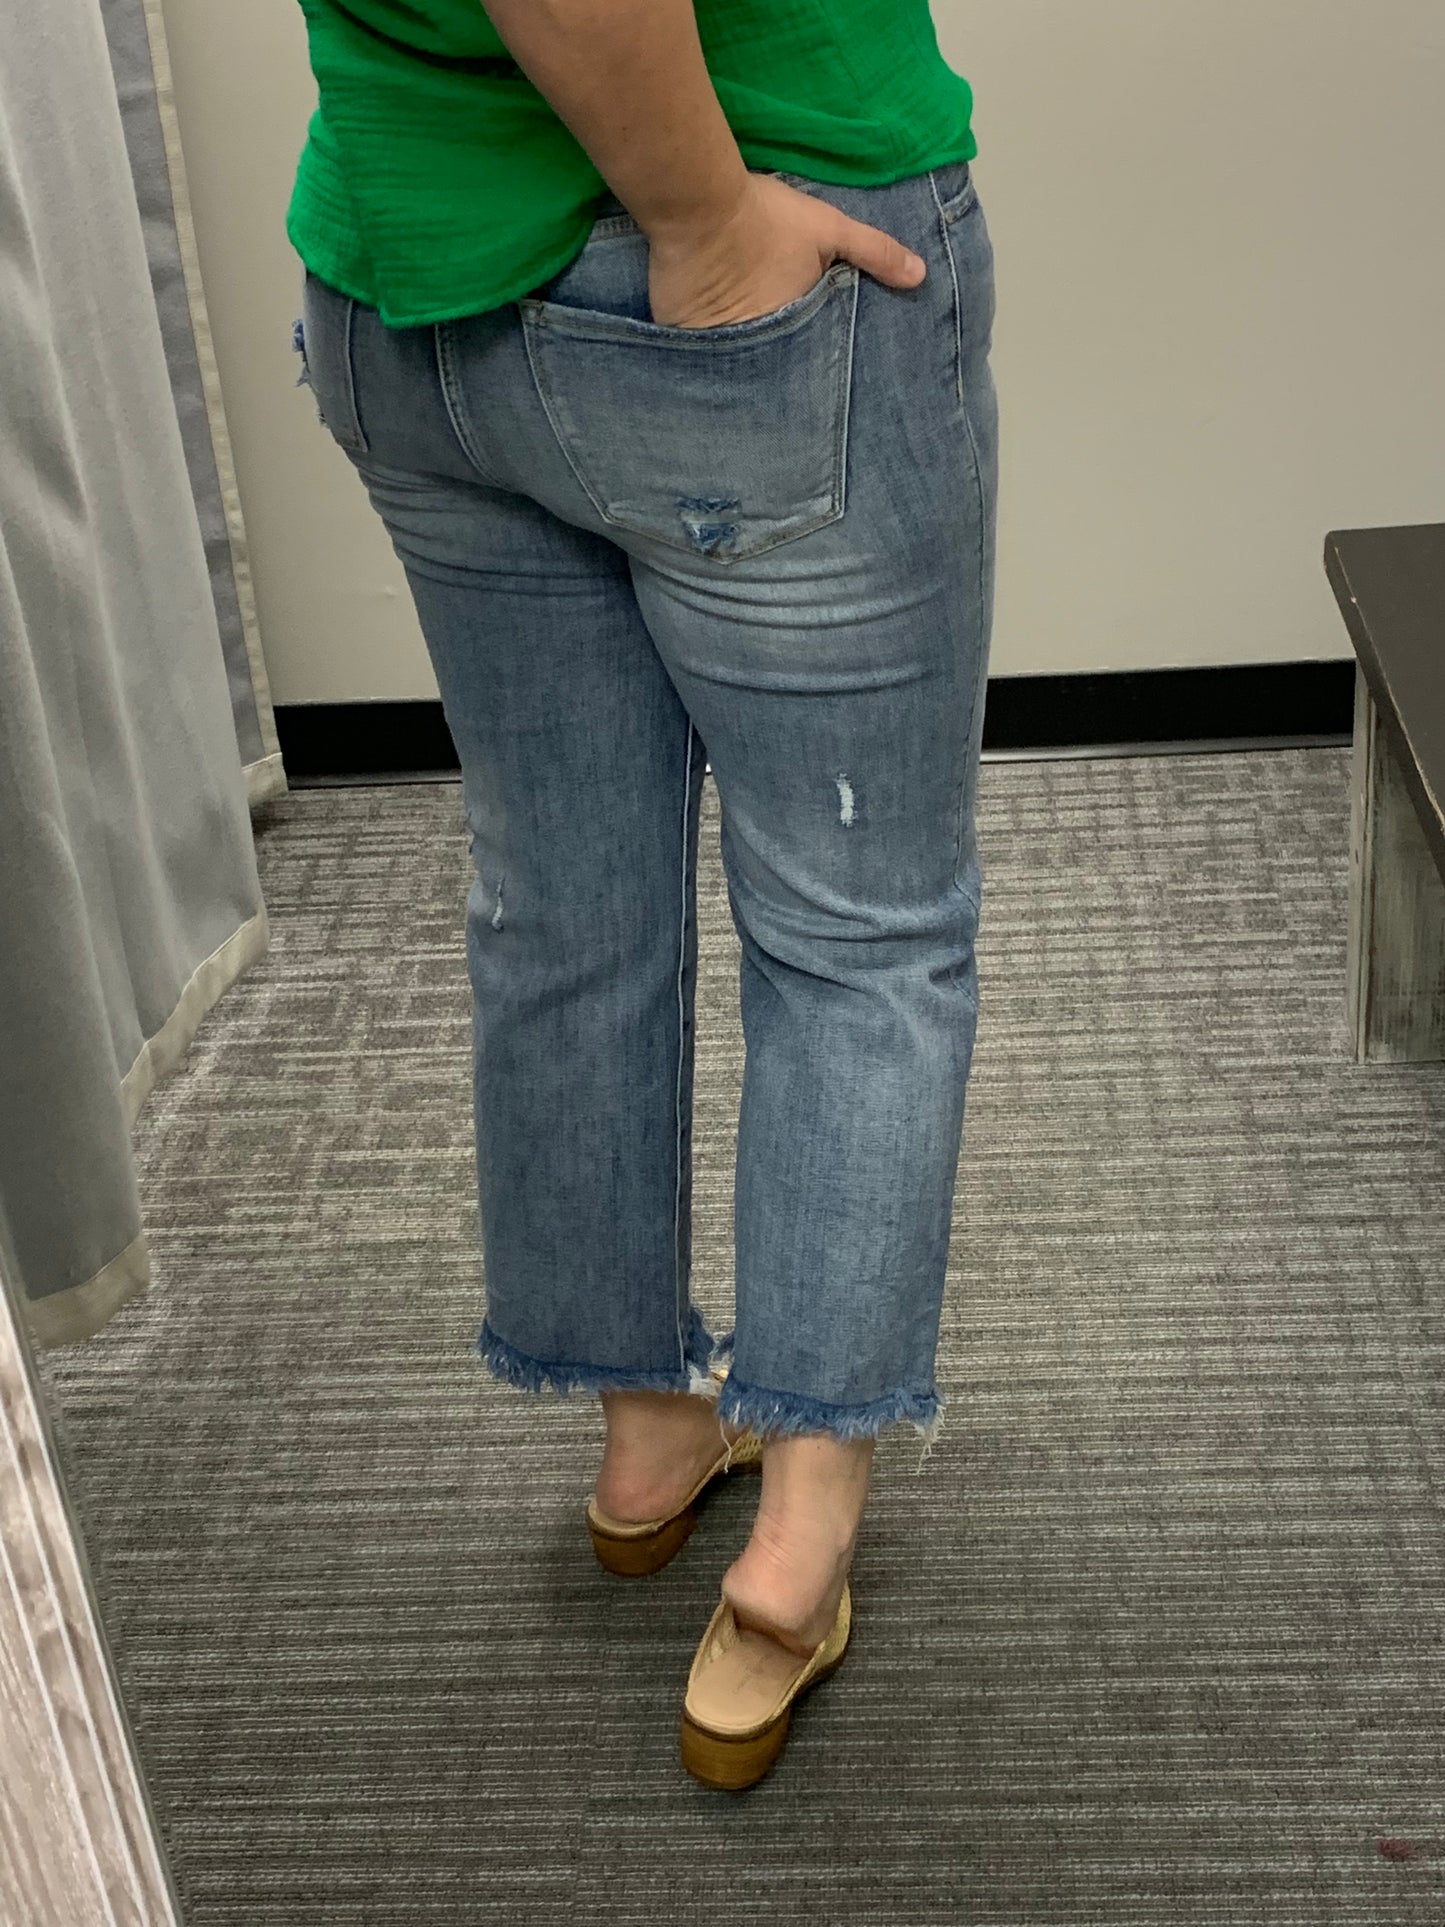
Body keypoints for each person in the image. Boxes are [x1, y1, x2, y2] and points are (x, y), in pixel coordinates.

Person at [287, 0, 997, 1788]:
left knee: (564, 897)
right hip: (721, 255)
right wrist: (701, 216)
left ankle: (648, 1438)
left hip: (408, 276)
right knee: (859, 937)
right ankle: (790, 1558)